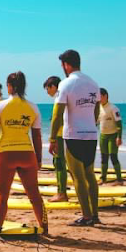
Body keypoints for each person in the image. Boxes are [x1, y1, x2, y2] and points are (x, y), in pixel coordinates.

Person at [0, 72, 47, 241]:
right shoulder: (33, 107)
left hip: (6, 154)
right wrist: (38, 158)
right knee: (34, 194)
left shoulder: (0, 106)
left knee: (2, 195)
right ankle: (44, 228)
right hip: (27, 154)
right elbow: (37, 136)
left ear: (10, 86)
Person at [49, 50, 101, 227]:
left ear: (66, 64)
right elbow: (96, 110)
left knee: (77, 176)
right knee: (90, 175)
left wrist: (52, 139)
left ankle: (86, 217)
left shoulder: (66, 84)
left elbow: (57, 114)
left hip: (73, 135)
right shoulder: (93, 83)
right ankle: (95, 214)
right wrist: (90, 124)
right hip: (91, 135)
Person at [43, 76, 68, 202]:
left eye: (47, 89)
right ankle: (61, 191)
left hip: (61, 135)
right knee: (58, 163)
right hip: (62, 134)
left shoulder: (60, 98)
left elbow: (58, 119)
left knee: (60, 164)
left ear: (53, 86)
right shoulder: (61, 97)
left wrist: (53, 139)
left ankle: (62, 193)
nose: (47, 92)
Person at [98, 88, 124, 184]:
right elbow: (96, 122)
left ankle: (119, 179)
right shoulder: (99, 107)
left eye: (99, 96)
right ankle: (103, 178)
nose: (98, 98)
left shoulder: (113, 108)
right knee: (103, 157)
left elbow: (119, 123)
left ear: (105, 96)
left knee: (113, 157)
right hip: (103, 136)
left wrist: (119, 137)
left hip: (112, 136)